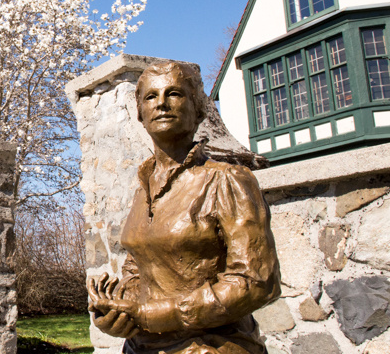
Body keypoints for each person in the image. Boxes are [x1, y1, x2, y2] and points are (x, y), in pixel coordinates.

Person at [88, 61, 281, 354]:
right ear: (139, 112)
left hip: (210, 347)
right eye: (151, 96)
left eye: (174, 94)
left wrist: (163, 315)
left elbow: (256, 281)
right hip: (142, 347)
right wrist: (117, 311)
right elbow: (138, 267)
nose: (162, 103)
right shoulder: (144, 188)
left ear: (199, 109)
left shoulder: (226, 180)